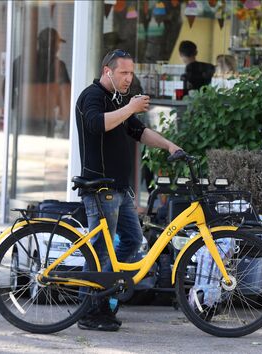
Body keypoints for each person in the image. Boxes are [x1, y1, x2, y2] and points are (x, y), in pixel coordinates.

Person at [75, 49, 181, 331]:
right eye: (124, 73)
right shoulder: (92, 96)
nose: (128, 78)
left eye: (131, 73)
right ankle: (90, 310)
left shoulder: (119, 101)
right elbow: (97, 124)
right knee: (100, 251)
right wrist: (130, 108)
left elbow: (138, 131)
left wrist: (170, 146)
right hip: (100, 188)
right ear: (108, 71)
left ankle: (107, 292)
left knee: (133, 240)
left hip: (119, 189)